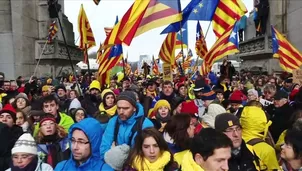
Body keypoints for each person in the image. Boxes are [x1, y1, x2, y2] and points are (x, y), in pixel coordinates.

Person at [100, 91, 154, 159]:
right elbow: (104, 148)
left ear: (134, 108)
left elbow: (146, 152)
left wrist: (114, 152)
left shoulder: (145, 124)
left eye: (126, 108)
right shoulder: (113, 121)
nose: (121, 112)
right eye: (119, 108)